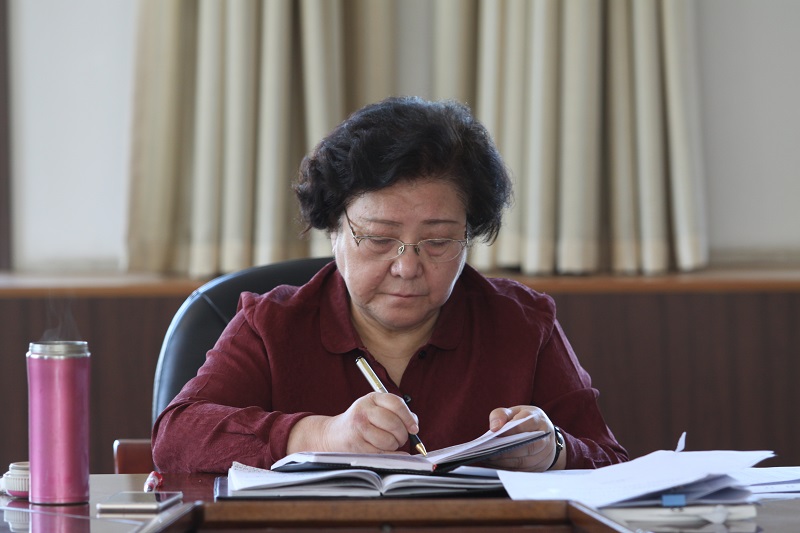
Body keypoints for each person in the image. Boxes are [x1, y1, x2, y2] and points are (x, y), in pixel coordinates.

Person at [152, 96, 628, 474]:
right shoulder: (272, 324)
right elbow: (175, 437)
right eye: (380, 239)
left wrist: (553, 450)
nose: (407, 267)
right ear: (334, 229)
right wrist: (321, 435)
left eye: (438, 241)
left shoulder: (520, 323)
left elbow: (612, 461)